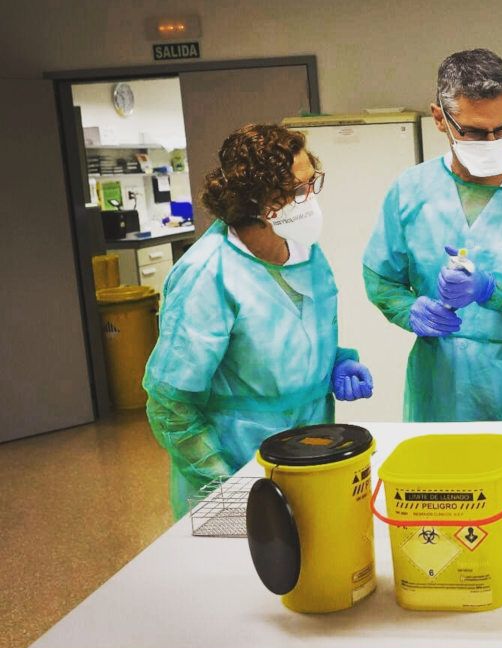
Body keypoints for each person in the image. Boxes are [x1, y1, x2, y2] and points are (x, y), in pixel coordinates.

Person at [143, 124, 373, 518]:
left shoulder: (305, 253)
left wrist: (335, 362)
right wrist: (225, 489)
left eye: (311, 183)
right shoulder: (208, 275)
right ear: (254, 200)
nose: (309, 199)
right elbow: (170, 405)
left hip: (310, 456)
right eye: (295, 191)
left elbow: (295, 332)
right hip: (236, 462)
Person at [362, 49, 502, 422]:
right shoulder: (411, 191)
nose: (490, 141)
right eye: (472, 131)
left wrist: (492, 291)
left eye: (500, 129)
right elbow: (382, 281)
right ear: (440, 118)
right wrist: (411, 311)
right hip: (440, 391)